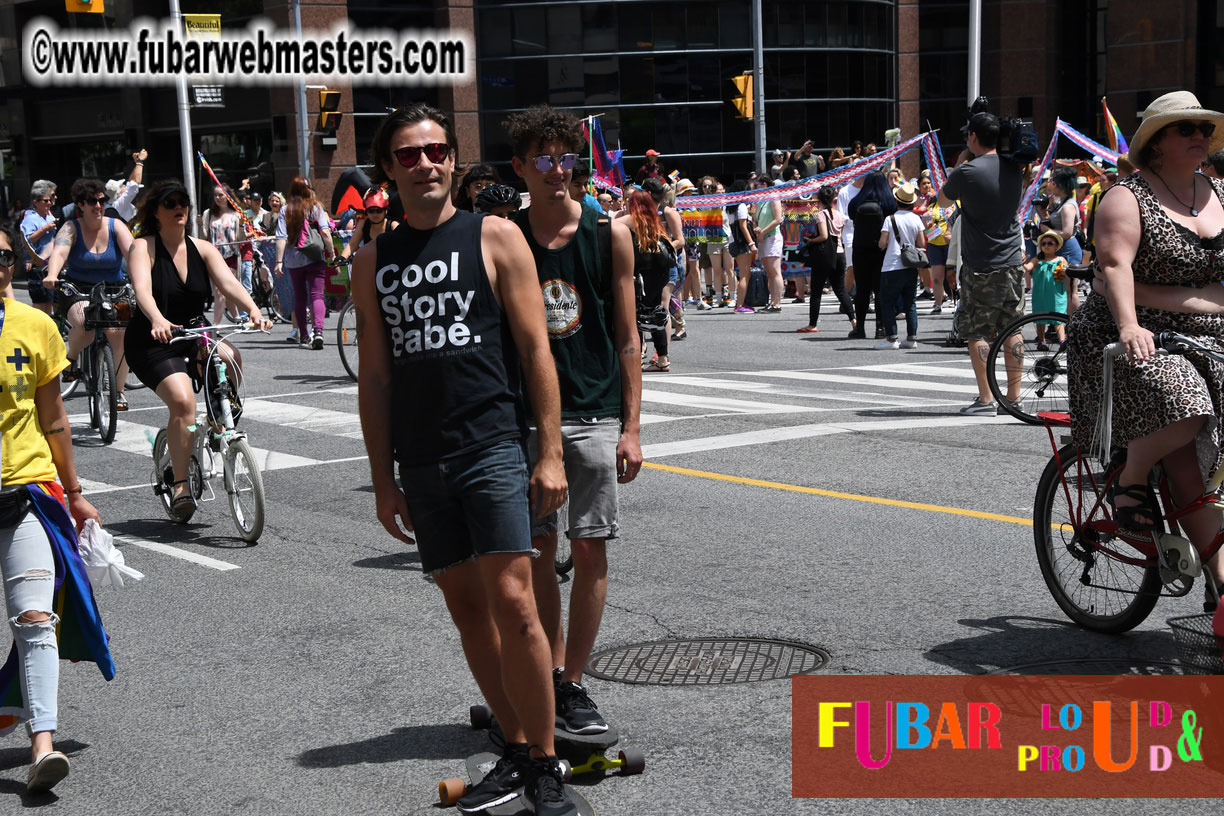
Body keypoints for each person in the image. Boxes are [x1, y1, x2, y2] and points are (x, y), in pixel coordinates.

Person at [352, 104, 574, 816]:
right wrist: (383, 479)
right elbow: (377, 377)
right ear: (388, 168)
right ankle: (513, 745)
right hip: (422, 460)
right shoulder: (372, 261)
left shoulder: (496, 235)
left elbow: (538, 349)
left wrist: (549, 451)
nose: (426, 164)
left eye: (437, 151)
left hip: (492, 447)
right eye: (410, 155)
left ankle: (545, 764)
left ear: (453, 159)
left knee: (514, 601)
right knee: (466, 609)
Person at [504, 104, 642, 746]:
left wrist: (632, 426)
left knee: (590, 546)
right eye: (544, 159)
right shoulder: (504, 238)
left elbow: (628, 336)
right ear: (521, 168)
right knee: (536, 552)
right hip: (524, 421)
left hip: (592, 412)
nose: (558, 171)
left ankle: (573, 681)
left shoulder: (609, 232)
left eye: (567, 159)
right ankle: (547, 674)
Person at [1068, 91, 1224, 612]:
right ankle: (1131, 480)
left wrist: (1186, 300)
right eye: (1185, 128)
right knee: (1184, 407)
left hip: (1209, 334)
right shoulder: (1125, 197)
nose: (1198, 135)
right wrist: (1132, 320)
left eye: (1203, 126)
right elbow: (1114, 269)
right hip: (1134, 333)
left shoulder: (1220, 192)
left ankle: (1216, 577)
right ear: (1156, 144)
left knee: (1208, 463)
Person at [0, 219, 113, 795]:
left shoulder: (34, 327)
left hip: (23, 494)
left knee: (35, 619)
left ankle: (41, 746)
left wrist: (73, 494)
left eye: (1, 258)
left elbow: (53, 419)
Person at [123, 181, 271, 518]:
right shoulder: (142, 247)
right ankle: (180, 485)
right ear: (157, 211)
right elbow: (143, 290)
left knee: (231, 356)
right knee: (182, 402)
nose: (180, 208)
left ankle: (221, 423)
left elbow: (228, 282)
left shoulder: (202, 247)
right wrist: (158, 319)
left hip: (192, 329)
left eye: (184, 203)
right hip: (152, 337)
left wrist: (253, 309)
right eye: (171, 203)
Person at [937, 111, 1026, 415]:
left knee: (977, 330)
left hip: (981, 263)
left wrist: (962, 161)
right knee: (1013, 327)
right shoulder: (1015, 167)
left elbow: (942, 202)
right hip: (1012, 259)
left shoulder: (967, 172)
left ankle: (986, 398)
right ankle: (1013, 397)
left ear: (973, 137)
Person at [41, 178, 133, 411]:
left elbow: (134, 254)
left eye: (102, 200)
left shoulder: (116, 226)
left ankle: (119, 391)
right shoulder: (71, 227)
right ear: (80, 204)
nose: (99, 205)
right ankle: (71, 358)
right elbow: (60, 252)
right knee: (84, 322)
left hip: (114, 287)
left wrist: (148, 276)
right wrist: (52, 274)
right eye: (92, 201)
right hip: (78, 289)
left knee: (121, 333)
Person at [275, 177, 335, 350]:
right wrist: (331, 254)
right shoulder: (315, 208)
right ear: (308, 190)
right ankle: (318, 332)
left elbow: (281, 237)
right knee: (317, 295)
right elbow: (325, 232)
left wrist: (279, 261)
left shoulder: (286, 210)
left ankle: (304, 335)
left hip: (294, 260)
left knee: (299, 297)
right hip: (315, 256)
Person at [625, 190, 675, 371]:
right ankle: (663, 359)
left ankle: (636, 358)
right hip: (658, 273)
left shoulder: (634, 220)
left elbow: (609, 225)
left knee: (636, 315)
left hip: (641, 273)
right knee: (654, 313)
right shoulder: (654, 220)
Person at [876, 181, 927, 349]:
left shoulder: (890, 219)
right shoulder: (916, 219)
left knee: (887, 301)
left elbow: (882, 243)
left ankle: (892, 338)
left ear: (897, 201)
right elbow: (920, 243)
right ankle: (911, 338)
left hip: (892, 265)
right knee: (910, 302)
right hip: (910, 265)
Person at [796, 186, 854, 333]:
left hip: (825, 256)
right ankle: (854, 319)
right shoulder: (839, 215)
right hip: (840, 254)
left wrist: (810, 240)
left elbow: (824, 236)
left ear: (820, 199)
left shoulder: (821, 214)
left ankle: (812, 324)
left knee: (816, 291)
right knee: (840, 289)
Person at [848, 172, 896, 339]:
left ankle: (859, 328)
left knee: (862, 290)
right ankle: (880, 328)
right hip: (882, 250)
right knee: (880, 290)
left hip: (860, 249)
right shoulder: (889, 202)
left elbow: (851, 216)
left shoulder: (857, 201)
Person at [201, 184, 245, 325]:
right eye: (216, 195)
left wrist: (242, 225)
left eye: (221, 195)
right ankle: (235, 319)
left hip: (231, 255)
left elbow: (241, 238)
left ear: (228, 195)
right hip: (215, 256)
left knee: (226, 289)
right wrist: (200, 224)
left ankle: (216, 324)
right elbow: (204, 237)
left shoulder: (236, 214)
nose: (218, 198)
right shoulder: (208, 214)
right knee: (221, 290)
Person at [1023, 230, 1072, 348]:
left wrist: (1066, 272)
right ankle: (1042, 341)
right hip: (1040, 294)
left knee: (1058, 316)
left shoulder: (1060, 260)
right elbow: (1027, 267)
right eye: (1043, 244)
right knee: (1040, 317)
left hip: (1057, 293)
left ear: (1056, 246)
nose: (1046, 246)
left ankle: (1062, 340)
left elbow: (1069, 275)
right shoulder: (1037, 260)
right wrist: (1022, 261)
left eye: (1050, 243)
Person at [20, 181, 58, 315]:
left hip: (51, 265)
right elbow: (27, 240)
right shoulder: (30, 219)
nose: (49, 203)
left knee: (51, 301)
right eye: (46, 201)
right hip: (37, 265)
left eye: (50, 200)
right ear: (36, 202)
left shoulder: (49, 216)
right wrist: (44, 229)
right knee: (41, 304)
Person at [1037, 168, 1084, 266]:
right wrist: (1043, 214)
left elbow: (1067, 233)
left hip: (1067, 252)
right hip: (1060, 248)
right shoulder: (1062, 202)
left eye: (1054, 184)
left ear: (1060, 186)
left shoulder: (1067, 206)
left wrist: (1047, 230)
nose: (1052, 187)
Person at [339, 188, 398, 261]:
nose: (375, 214)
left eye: (378, 211)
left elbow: (403, 245)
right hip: (370, 264)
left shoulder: (393, 225)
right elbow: (352, 244)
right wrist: (342, 257)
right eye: (371, 211)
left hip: (391, 265)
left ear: (385, 211)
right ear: (366, 212)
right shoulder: (363, 224)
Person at [753, 184, 785, 312]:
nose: (756, 187)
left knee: (775, 271)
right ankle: (772, 301)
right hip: (763, 238)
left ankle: (777, 303)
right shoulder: (759, 201)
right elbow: (755, 219)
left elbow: (778, 219)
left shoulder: (773, 198)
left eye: (758, 184)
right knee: (769, 272)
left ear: (765, 184)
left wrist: (764, 231)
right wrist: (757, 227)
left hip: (772, 237)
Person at [727, 180, 757, 313]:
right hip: (742, 244)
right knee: (744, 275)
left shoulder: (731, 208)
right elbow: (743, 226)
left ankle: (740, 303)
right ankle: (739, 306)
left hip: (733, 243)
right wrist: (752, 244)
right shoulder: (741, 206)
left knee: (744, 274)